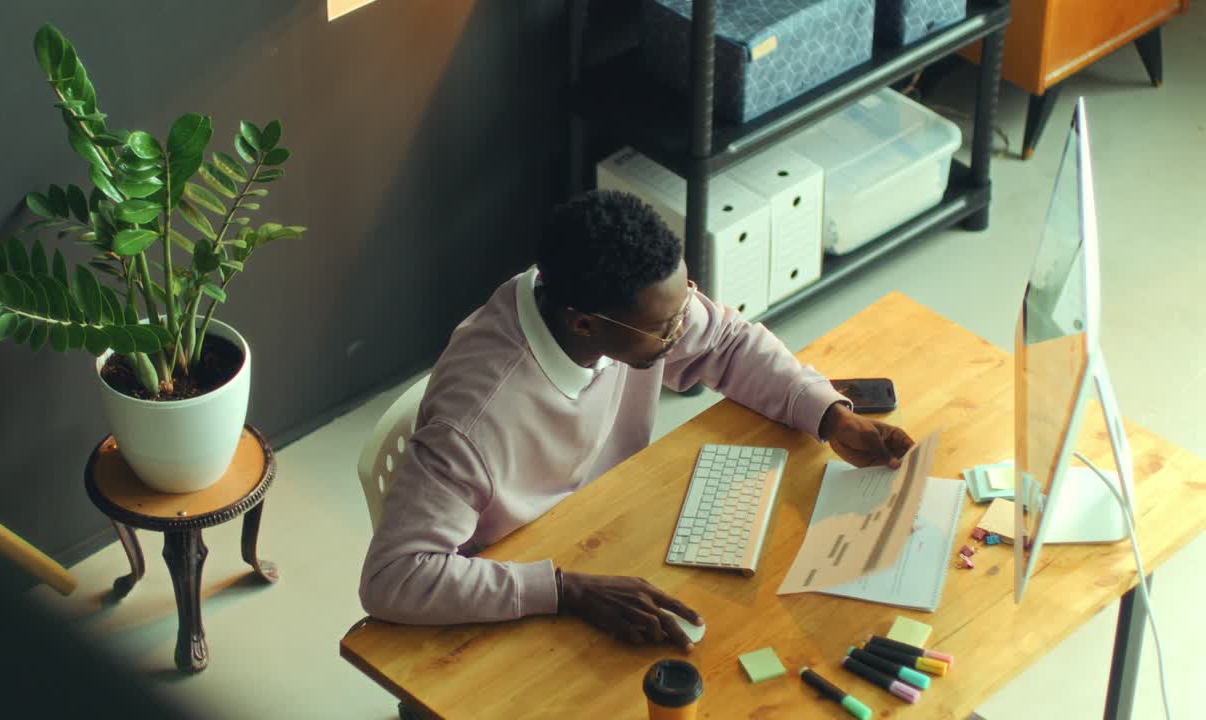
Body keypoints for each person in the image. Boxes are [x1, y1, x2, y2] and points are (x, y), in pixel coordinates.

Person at [359, 190, 914, 652]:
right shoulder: (475, 420)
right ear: (584, 326)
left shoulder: (611, 301)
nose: (683, 330)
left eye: (683, 305)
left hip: (611, 531)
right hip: (523, 588)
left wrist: (829, 415)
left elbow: (725, 339)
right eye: (666, 327)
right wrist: (565, 590)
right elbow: (395, 577)